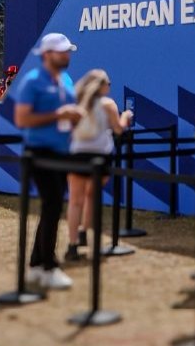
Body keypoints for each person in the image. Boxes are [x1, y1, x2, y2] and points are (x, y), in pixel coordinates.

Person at [13, 33, 84, 290]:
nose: (67, 55)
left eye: (68, 51)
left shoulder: (67, 80)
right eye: (62, 51)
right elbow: (22, 119)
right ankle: (49, 266)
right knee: (53, 206)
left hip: (62, 151)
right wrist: (58, 115)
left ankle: (36, 264)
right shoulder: (32, 81)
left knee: (51, 207)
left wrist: (74, 116)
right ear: (46, 54)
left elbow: (66, 114)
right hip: (39, 152)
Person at [65, 69, 133, 262]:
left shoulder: (76, 103)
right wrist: (126, 117)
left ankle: (72, 245)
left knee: (75, 201)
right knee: (92, 196)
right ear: (101, 86)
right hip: (101, 156)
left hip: (78, 154)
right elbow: (118, 129)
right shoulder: (108, 104)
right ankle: (84, 231)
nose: (109, 87)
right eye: (108, 83)